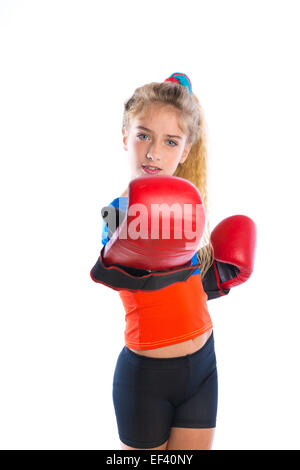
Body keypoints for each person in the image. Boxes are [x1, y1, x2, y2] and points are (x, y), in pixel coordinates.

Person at [90, 73, 256, 450]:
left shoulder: (192, 211)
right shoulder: (116, 214)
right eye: (143, 135)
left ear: (185, 150)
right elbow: (127, 273)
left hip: (203, 367)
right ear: (124, 137)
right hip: (147, 376)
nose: (153, 152)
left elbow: (188, 289)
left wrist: (221, 273)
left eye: (170, 141)